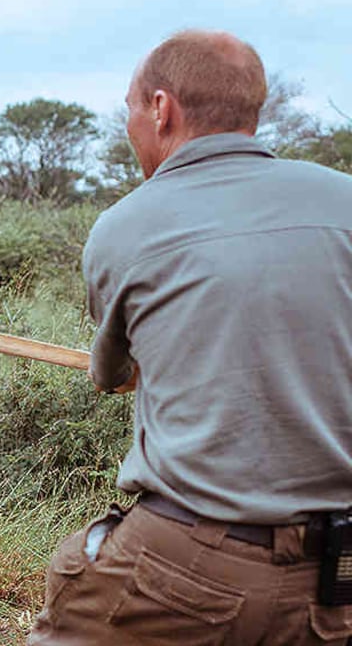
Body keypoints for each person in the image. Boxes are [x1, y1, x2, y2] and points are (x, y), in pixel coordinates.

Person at [28, 31, 352, 645]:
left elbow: (115, 375)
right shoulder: (344, 200)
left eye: (129, 108)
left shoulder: (127, 225)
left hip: (190, 563)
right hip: (338, 581)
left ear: (161, 108)